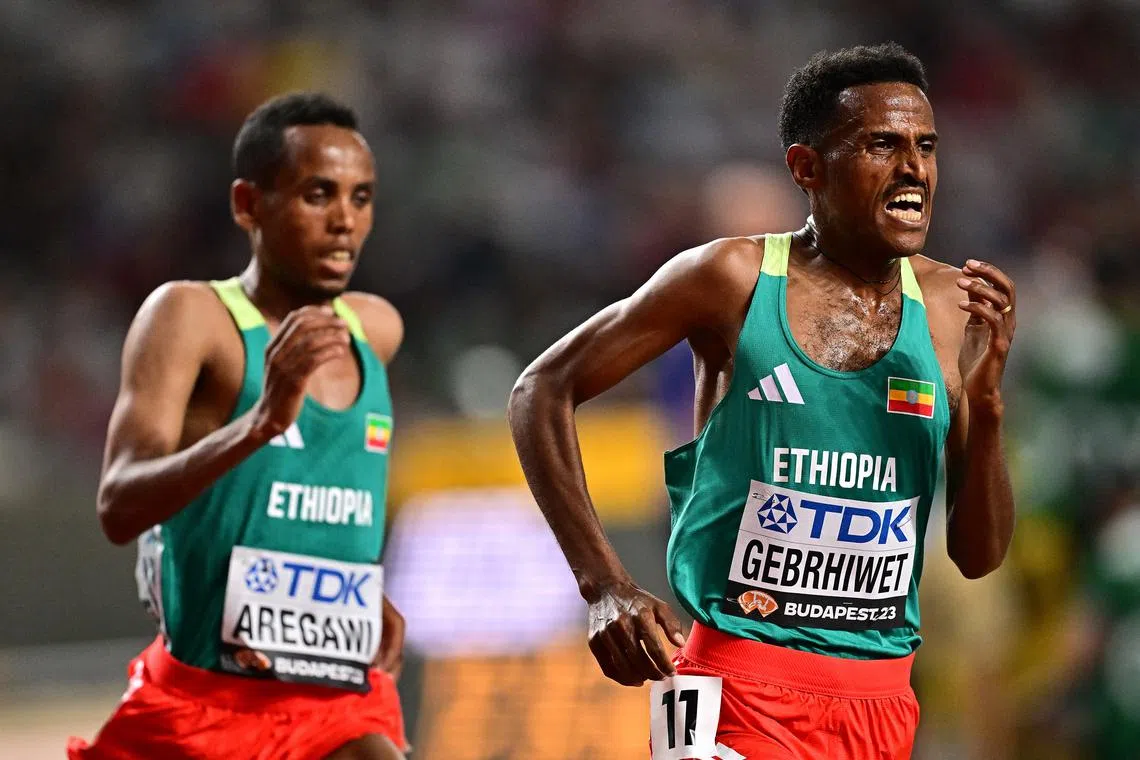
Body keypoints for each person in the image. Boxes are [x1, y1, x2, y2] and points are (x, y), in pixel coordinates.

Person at [508, 42, 1017, 760]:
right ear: (807, 169)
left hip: (881, 705)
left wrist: (987, 407)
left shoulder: (949, 307)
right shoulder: (732, 277)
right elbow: (541, 389)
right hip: (737, 690)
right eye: (882, 144)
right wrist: (604, 586)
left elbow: (979, 554)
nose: (914, 169)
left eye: (925, 147)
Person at [68, 93, 409, 760]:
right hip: (199, 709)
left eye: (361, 197)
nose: (345, 221)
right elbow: (118, 505)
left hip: (333, 703)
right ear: (248, 205)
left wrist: (355, 590)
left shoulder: (377, 331)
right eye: (319, 194)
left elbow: (314, 497)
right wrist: (258, 423)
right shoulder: (191, 318)